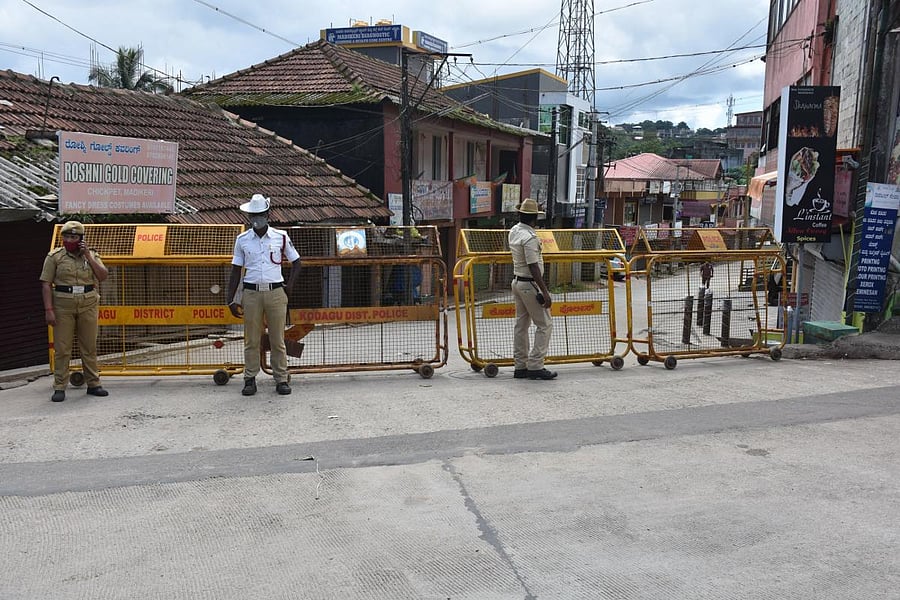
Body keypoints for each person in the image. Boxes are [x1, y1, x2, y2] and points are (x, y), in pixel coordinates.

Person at [226, 194, 301, 396]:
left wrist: (289, 287)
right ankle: (250, 378)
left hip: (275, 292)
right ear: (249, 217)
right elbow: (235, 270)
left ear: (267, 215)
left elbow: (297, 262)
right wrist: (230, 299)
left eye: (260, 214)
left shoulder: (281, 237)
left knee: (278, 339)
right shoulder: (242, 240)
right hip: (251, 293)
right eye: (253, 215)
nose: (256, 218)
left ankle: (281, 378)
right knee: (251, 339)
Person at [39, 220, 110, 402]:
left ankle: (93, 384)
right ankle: (59, 386)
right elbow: (46, 284)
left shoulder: (91, 254)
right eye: (67, 237)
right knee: (62, 348)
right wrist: (49, 309)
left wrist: (88, 256)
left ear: (81, 239)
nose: (70, 240)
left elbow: (102, 276)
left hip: (88, 303)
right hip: (63, 305)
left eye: (74, 237)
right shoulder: (54, 257)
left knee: (89, 346)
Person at [508, 198, 557, 380]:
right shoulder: (529, 237)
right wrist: (544, 292)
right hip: (529, 284)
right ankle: (536, 365)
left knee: (521, 325)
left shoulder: (514, 231)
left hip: (517, 282)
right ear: (534, 218)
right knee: (545, 324)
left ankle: (520, 365)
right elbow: (533, 266)